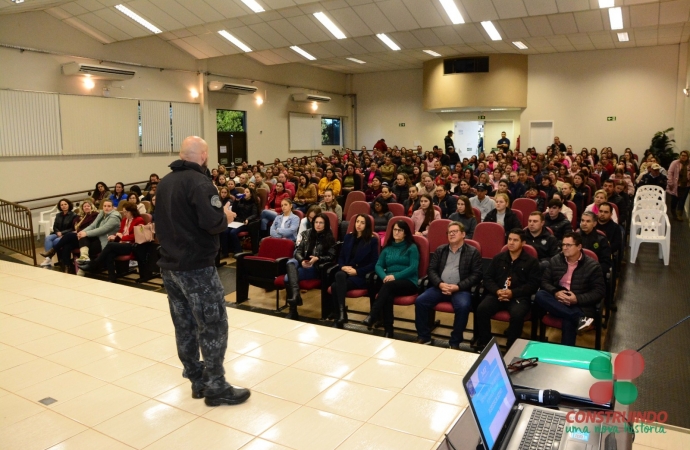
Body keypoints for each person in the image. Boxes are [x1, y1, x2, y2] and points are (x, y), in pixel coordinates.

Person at [155, 135, 250, 406]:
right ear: (204, 155)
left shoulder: (164, 182)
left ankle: (197, 380)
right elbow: (211, 222)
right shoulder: (200, 182)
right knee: (213, 324)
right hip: (196, 266)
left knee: (184, 325)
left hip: (170, 266)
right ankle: (216, 385)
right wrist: (227, 218)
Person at [414, 221, 482, 348]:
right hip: (440, 287)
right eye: (449, 232)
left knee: (463, 306)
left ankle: (455, 342)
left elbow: (476, 275)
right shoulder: (441, 250)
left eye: (455, 231)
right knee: (420, 301)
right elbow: (431, 270)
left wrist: (458, 286)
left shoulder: (472, 252)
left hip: (460, 289)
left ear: (463, 234)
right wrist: (440, 284)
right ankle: (424, 336)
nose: (451, 234)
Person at [535, 232, 606, 346]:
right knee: (540, 295)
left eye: (569, 245)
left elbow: (599, 292)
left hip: (579, 304)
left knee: (568, 322)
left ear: (579, 247)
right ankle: (579, 319)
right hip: (559, 300)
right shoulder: (555, 260)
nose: (564, 248)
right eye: (563, 245)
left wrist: (577, 299)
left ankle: (565, 357)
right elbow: (544, 282)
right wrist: (555, 292)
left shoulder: (592, 266)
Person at [474, 229, 541, 350]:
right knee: (482, 309)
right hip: (497, 294)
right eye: (509, 239)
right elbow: (488, 278)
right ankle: (486, 343)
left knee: (517, 315)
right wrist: (497, 291)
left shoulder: (531, 262)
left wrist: (513, 293)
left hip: (518, 297)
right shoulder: (498, 258)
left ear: (523, 243)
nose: (511, 242)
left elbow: (533, 284)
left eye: (515, 240)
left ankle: (511, 347)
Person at [365, 220, 420, 338]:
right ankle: (388, 330)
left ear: (405, 233)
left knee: (387, 287)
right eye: (395, 229)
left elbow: (413, 267)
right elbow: (378, 265)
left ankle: (373, 315)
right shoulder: (388, 248)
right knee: (387, 294)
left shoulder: (412, 247)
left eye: (400, 230)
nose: (396, 232)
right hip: (389, 282)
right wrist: (385, 277)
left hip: (408, 282)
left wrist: (395, 276)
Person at [329, 214, 379, 328]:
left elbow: (374, 263)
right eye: (357, 222)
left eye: (362, 222)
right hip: (346, 272)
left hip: (361, 275)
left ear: (367, 225)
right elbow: (341, 256)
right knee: (339, 274)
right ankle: (342, 313)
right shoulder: (348, 237)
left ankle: (340, 315)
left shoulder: (372, 240)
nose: (359, 225)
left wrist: (357, 271)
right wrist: (342, 266)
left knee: (335, 286)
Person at [284, 213, 337, 320]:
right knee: (290, 262)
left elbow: (331, 256)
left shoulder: (329, 237)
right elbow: (298, 252)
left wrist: (318, 258)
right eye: (316, 222)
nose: (318, 225)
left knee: (287, 278)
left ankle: (293, 309)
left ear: (325, 224)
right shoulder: (307, 233)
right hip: (303, 262)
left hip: (315, 266)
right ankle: (296, 297)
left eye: (321, 223)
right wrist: (302, 260)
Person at [79, 203, 145, 282]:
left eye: (126, 212)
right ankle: (111, 277)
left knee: (110, 245)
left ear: (131, 212)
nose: (124, 214)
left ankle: (93, 264)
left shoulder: (139, 220)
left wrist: (122, 237)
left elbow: (136, 236)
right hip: (122, 243)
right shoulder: (125, 220)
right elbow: (120, 232)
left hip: (132, 245)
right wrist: (114, 236)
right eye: (123, 212)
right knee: (109, 254)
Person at [74, 199, 122, 276]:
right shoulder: (101, 214)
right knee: (83, 238)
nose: (106, 208)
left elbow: (102, 230)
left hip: (106, 240)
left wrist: (86, 233)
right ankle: (84, 256)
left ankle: (84, 269)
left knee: (89, 246)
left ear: (113, 208)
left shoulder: (114, 217)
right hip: (98, 237)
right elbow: (93, 225)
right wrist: (82, 232)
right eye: (105, 206)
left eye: (109, 206)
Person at [52, 200, 99, 272]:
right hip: (79, 237)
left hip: (88, 237)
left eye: (88, 206)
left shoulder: (94, 215)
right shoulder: (80, 216)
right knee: (67, 245)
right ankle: (67, 266)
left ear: (91, 207)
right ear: (82, 208)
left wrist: (78, 231)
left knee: (69, 235)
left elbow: (91, 227)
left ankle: (53, 250)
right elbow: (74, 226)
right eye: (85, 206)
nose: (86, 208)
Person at [221, 188, 259, 257]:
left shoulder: (253, 202)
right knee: (225, 231)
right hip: (237, 221)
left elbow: (255, 214)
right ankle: (225, 252)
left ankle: (238, 251)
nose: (245, 193)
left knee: (233, 232)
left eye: (247, 192)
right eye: (244, 192)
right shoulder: (241, 200)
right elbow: (234, 210)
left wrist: (248, 219)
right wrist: (236, 201)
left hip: (246, 222)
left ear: (251, 194)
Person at [40, 198, 76, 267]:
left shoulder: (73, 215)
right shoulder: (58, 215)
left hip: (66, 235)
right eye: (61, 205)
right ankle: (48, 259)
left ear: (69, 205)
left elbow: (73, 228)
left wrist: (62, 233)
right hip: (57, 233)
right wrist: (57, 232)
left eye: (65, 204)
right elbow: (55, 226)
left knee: (55, 242)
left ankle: (54, 257)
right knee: (48, 238)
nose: (63, 206)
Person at [577, 211, 612, 276]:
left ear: (594, 223)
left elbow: (606, 263)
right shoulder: (574, 237)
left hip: (594, 274)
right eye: (582, 220)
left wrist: (593, 272)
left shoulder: (602, 240)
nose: (584, 223)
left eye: (588, 221)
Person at [666, 150, 689, 221]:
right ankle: (673, 212)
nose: (683, 157)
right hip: (676, 185)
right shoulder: (675, 163)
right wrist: (670, 182)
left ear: (688, 157)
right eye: (682, 155)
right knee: (675, 200)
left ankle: (679, 215)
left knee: (682, 200)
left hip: (686, 185)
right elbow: (670, 172)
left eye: (685, 156)